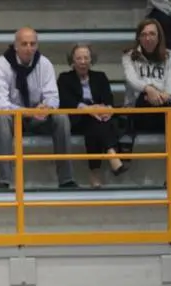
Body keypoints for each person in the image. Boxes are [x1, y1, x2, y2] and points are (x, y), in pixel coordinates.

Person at [0, 27, 78, 190]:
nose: (29, 48)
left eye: (32, 44)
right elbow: (0, 102)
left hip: (34, 117)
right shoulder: (3, 64)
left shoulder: (44, 64)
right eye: (24, 44)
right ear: (16, 46)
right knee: (2, 119)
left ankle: (66, 179)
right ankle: (4, 180)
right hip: (7, 116)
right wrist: (29, 111)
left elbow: (53, 96)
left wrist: (46, 107)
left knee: (61, 118)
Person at [122, 18, 171, 154]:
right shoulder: (129, 57)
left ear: (159, 37)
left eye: (152, 34)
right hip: (139, 113)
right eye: (144, 34)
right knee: (146, 96)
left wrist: (165, 95)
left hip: (163, 112)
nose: (148, 38)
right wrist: (149, 89)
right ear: (139, 38)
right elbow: (132, 80)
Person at [57, 43, 128, 188]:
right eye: (79, 58)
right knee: (92, 119)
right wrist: (89, 108)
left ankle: (95, 171)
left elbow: (108, 100)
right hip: (77, 118)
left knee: (96, 123)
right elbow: (66, 102)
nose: (83, 62)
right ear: (72, 61)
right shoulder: (64, 78)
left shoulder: (100, 77)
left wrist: (105, 110)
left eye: (86, 58)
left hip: (100, 119)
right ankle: (111, 154)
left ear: (91, 60)